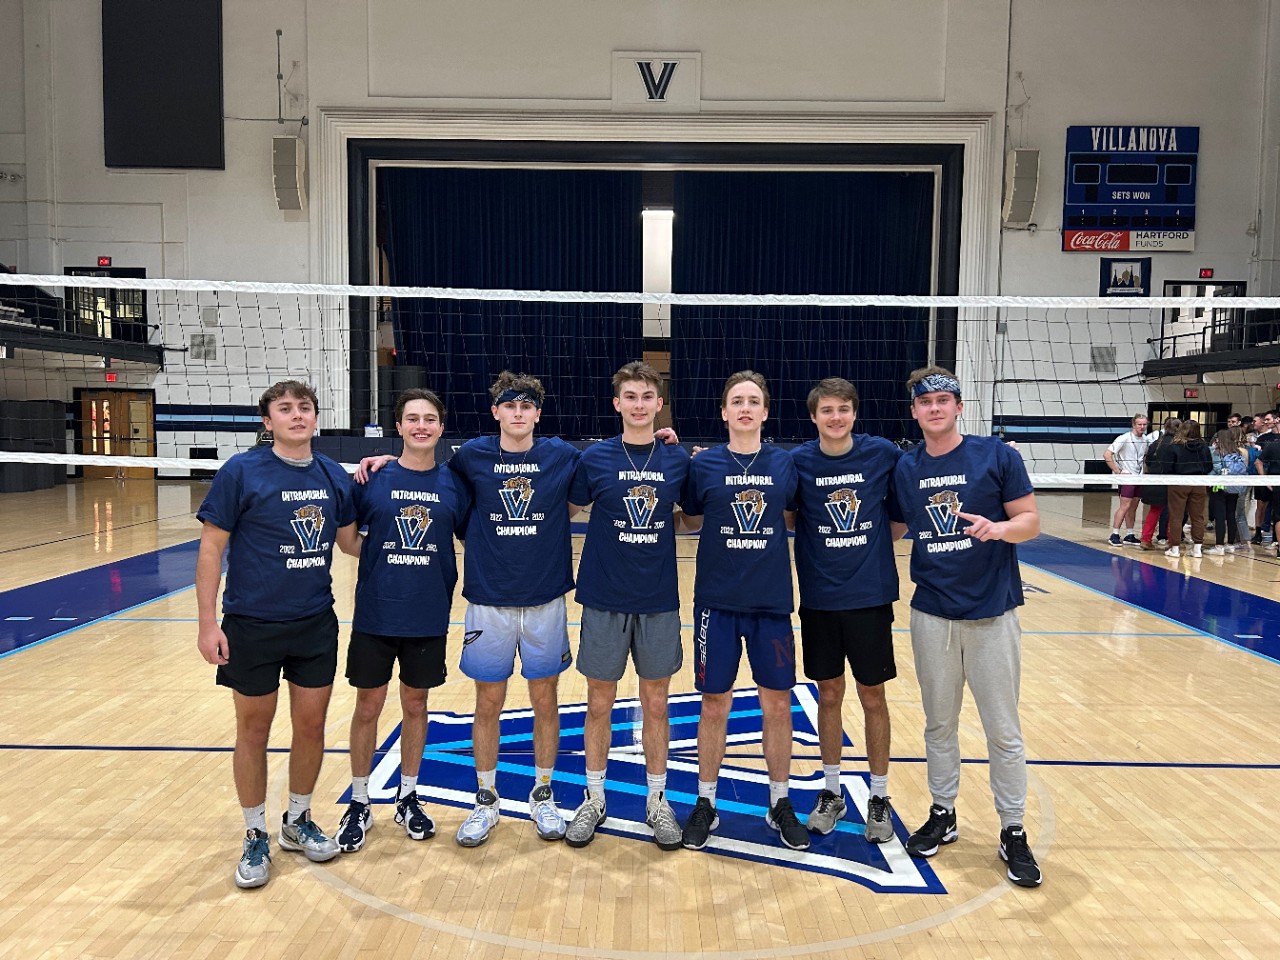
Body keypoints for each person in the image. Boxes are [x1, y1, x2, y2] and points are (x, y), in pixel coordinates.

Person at [195, 380, 358, 890]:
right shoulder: (241, 472)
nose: (296, 416)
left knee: (311, 727)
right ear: (267, 422)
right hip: (251, 624)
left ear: (315, 418)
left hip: (314, 622)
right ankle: (253, 833)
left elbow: (352, 542)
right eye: (284, 409)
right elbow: (209, 550)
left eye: (304, 408)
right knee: (254, 731)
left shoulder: (334, 474)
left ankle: (298, 820)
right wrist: (207, 623)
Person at [893, 366, 1043, 888]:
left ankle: (1013, 829)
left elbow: (1030, 521)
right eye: (924, 402)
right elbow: (888, 524)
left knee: (1003, 730)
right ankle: (943, 812)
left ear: (959, 406)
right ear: (914, 412)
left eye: (943, 400)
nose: (934, 408)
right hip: (932, 612)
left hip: (992, 612)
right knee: (939, 724)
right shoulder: (904, 467)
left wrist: (998, 528)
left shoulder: (996, 455)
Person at [444, 372, 582, 846]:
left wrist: (668, 444)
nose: (519, 413)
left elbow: (603, 475)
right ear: (496, 411)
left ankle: (543, 793)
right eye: (510, 405)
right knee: (489, 702)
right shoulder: (471, 458)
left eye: (527, 406)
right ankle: (485, 798)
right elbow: (426, 476)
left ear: (538, 414)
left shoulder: (561, 455)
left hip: (545, 601)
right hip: (488, 601)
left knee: (545, 699)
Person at [562, 361, 692, 850]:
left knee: (656, 703)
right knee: (599, 702)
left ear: (659, 404)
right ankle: (593, 798)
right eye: (630, 396)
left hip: (658, 600)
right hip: (602, 597)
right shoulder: (594, 458)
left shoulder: (678, 460)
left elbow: (690, 517)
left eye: (647, 396)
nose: (638, 404)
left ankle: (657, 801)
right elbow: (564, 507)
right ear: (617, 403)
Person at [334, 388, 470, 852]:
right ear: (399, 427)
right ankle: (359, 801)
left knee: (416, 706)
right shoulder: (372, 478)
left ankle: (408, 796)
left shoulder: (455, 483)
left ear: (440, 426)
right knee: (368, 707)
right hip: (376, 614)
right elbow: (348, 542)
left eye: (429, 418)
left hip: (428, 615)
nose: (421, 426)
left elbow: (475, 539)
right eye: (412, 418)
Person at [679, 370, 808, 852]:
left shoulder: (785, 464)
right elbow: (690, 518)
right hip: (716, 604)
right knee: (715, 704)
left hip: (771, 604)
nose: (746, 408)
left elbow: (796, 515)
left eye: (754, 400)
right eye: (737, 400)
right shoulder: (705, 464)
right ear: (724, 412)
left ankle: (780, 802)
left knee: (777, 704)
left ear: (766, 411)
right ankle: (706, 802)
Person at [785, 377, 905, 843]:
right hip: (818, 599)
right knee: (829, 695)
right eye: (827, 410)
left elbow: (898, 518)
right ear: (813, 417)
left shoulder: (881, 455)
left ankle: (879, 796)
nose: (836, 417)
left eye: (844, 409)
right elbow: (791, 517)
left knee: (873, 695)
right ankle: (831, 792)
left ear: (855, 413)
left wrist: (866, 555)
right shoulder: (799, 462)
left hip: (869, 598)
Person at [1165, 420, 1212, 559]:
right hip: (1198, 483)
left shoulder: (1174, 445)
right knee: (1198, 517)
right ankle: (1197, 549)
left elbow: (1167, 467)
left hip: (1178, 483)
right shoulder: (1204, 446)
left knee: (1176, 516)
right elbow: (1209, 466)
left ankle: (1175, 549)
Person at [1103, 414, 1150, 546]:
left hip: (1139, 478)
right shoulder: (1124, 438)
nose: (1142, 427)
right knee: (1125, 506)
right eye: (1139, 424)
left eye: (1144, 424)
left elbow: (1144, 458)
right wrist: (1117, 470)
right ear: (1133, 425)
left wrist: (1145, 473)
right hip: (1127, 477)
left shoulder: (1146, 440)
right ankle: (1115, 534)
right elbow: (1107, 454)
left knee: (1133, 507)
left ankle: (1129, 534)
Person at [1138, 417, 1179, 550]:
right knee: (1173, 513)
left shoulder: (1156, 443)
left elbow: (1148, 462)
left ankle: (1145, 539)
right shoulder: (1176, 444)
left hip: (1153, 481)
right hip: (1170, 482)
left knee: (1154, 511)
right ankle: (1172, 542)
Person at [1206, 428, 1246, 556]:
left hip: (1219, 487)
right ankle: (1230, 544)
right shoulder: (1238, 452)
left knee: (1220, 517)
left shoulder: (1216, 451)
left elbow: (1217, 468)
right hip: (1234, 487)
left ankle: (1219, 546)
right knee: (1231, 515)